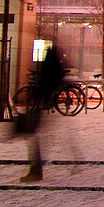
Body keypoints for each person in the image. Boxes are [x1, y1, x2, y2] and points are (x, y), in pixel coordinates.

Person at [16, 45, 69, 183]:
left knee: (34, 137)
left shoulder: (49, 62)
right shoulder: (55, 60)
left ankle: (35, 171)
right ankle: (35, 170)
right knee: (36, 138)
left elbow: (46, 81)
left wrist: (39, 97)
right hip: (45, 103)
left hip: (42, 104)